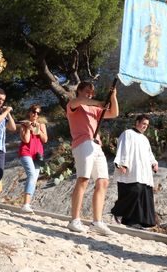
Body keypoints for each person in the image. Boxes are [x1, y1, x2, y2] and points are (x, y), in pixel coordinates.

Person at [66, 81, 119, 236]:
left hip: (96, 145)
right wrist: (99, 103)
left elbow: (114, 113)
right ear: (79, 91)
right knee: (83, 179)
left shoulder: (95, 109)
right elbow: (81, 101)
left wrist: (113, 96)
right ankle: (74, 220)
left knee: (103, 181)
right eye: (88, 91)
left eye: (93, 92)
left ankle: (97, 222)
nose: (91, 94)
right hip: (83, 143)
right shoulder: (73, 105)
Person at [111, 114, 158, 229]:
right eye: (143, 124)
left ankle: (134, 222)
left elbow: (149, 154)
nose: (145, 127)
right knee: (134, 191)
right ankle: (117, 211)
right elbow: (123, 148)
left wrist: (154, 162)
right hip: (131, 171)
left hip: (143, 172)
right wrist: (122, 164)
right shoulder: (127, 134)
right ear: (137, 122)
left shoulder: (144, 139)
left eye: (147, 125)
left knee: (144, 194)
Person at [18, 104, 48, 214]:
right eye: (34, 112)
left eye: (38, 113)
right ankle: (25, 204)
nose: (35, 114)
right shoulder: (23, 125)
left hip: (37, 154)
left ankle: (27, 204)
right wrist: (29, 129)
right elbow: (26, 140)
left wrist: (38, 130)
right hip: (26, 152)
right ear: (29, 112)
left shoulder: (42, 125)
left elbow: (45, 140)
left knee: (34, 178)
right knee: (31, 175)